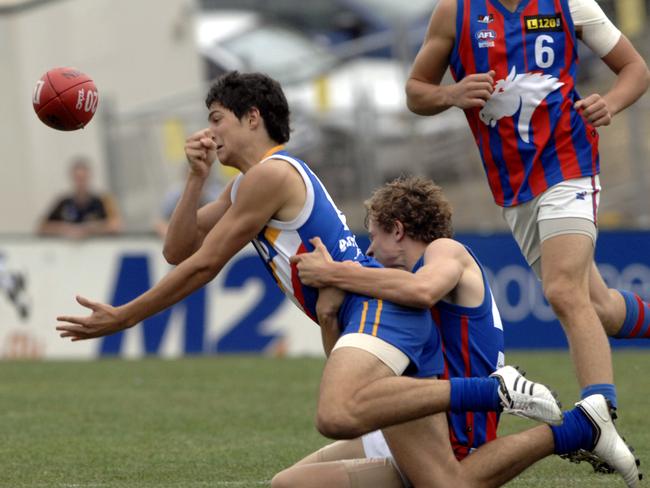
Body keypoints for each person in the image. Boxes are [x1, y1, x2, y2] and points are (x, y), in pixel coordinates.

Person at [56, 71, 566, 486]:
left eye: (217, 119)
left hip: (376, 310)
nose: (210, 132)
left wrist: (125, 317)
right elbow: (177, 247)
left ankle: (491, 389)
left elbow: (205, 264)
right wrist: (194, 178)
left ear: (253, 118)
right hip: (359, 314)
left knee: (337, 414)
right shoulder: (246, 188)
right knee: (443, 485)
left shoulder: (272, 175)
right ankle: (568, 428)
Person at [277, 176, 640, 487]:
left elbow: (424, 292)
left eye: (373, 236)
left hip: (460, 419)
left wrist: (335, 273)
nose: (369, 248)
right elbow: (347, 372)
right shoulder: (396, 286)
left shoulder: (445, 250)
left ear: (398, 229)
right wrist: (328, 313)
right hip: (419, 409)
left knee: (449, 484)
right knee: (288, 483)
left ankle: (576, 428)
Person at [405, 0, 649, 446]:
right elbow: (416, 91)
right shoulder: (455, 12)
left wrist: (610, 103)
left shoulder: (569, 4)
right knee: (601, 310)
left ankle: (599, 419)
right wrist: (451, 94)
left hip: (570, 162)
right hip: (514, 186)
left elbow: (635, 68)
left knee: (561, 290)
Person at [38, 157, 122, 238]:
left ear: (89, 177)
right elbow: (42, 227)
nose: (80, 182)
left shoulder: (102, 200)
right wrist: (65, 229)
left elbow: (116, 225)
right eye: (78, 178)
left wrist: (89, 229)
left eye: (83, 178)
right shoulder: (63, 203)